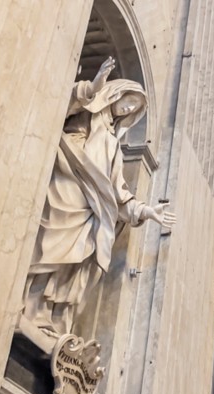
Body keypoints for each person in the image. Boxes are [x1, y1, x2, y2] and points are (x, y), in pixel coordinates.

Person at [24, 57, 176, 338]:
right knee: (47, 247)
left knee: (74, 260)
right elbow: (61, 104)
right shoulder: (90, 112)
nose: (129, 108)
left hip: (91, 207)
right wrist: (92, 88)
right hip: (66, 185)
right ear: (116, 93)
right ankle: (27, 304)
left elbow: (118, 192)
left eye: (134, 108)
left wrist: (147, 211)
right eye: (129, 100)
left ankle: (45, 315)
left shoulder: (114, 144)